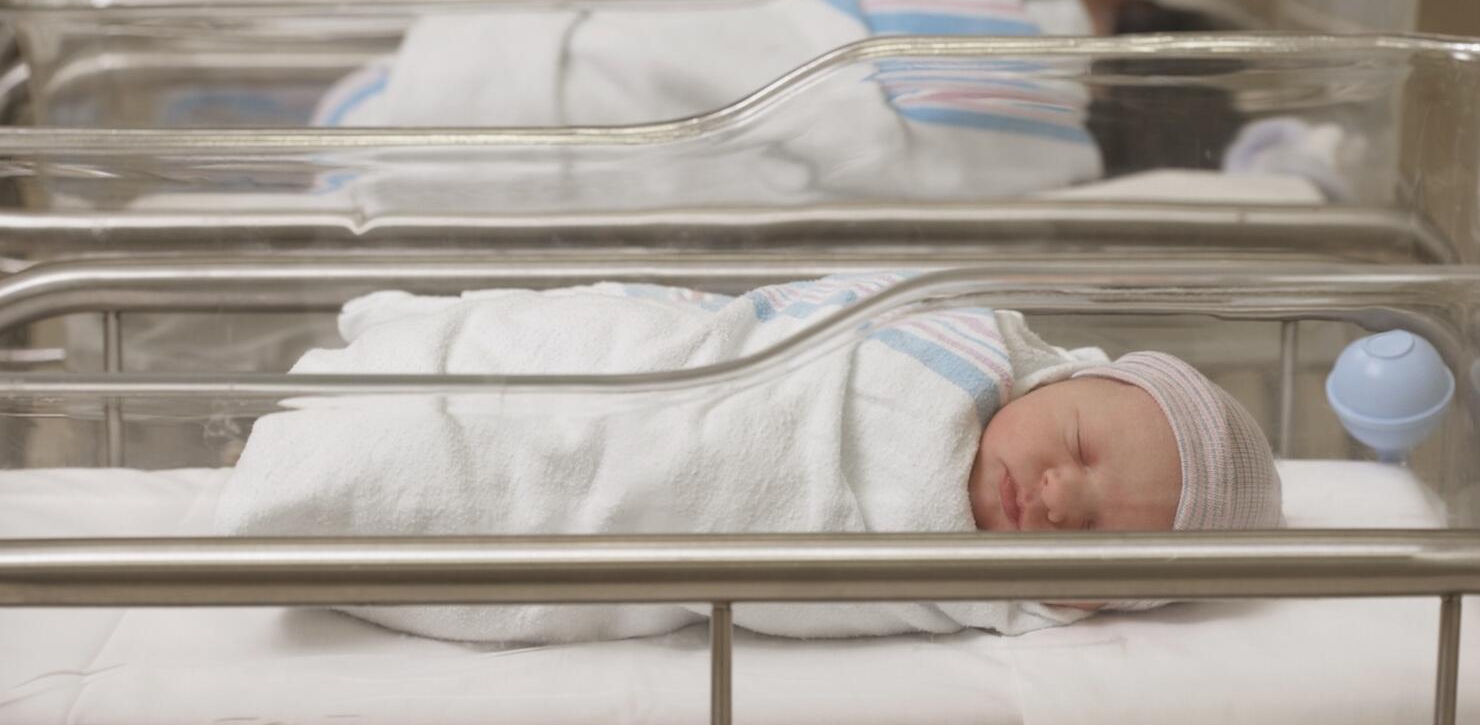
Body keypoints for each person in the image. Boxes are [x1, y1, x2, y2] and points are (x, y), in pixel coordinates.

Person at [216, 273, 1282, 643]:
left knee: (496, 469)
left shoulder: (966, 581)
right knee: (572, 361)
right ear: (1057, 378)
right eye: (1081, 448)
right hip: (681, 366)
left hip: (625, 492)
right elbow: (768, 325)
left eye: (1094, 538)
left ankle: (344, 470)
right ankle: (428, 358)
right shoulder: (958, 347)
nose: (1057, 499)